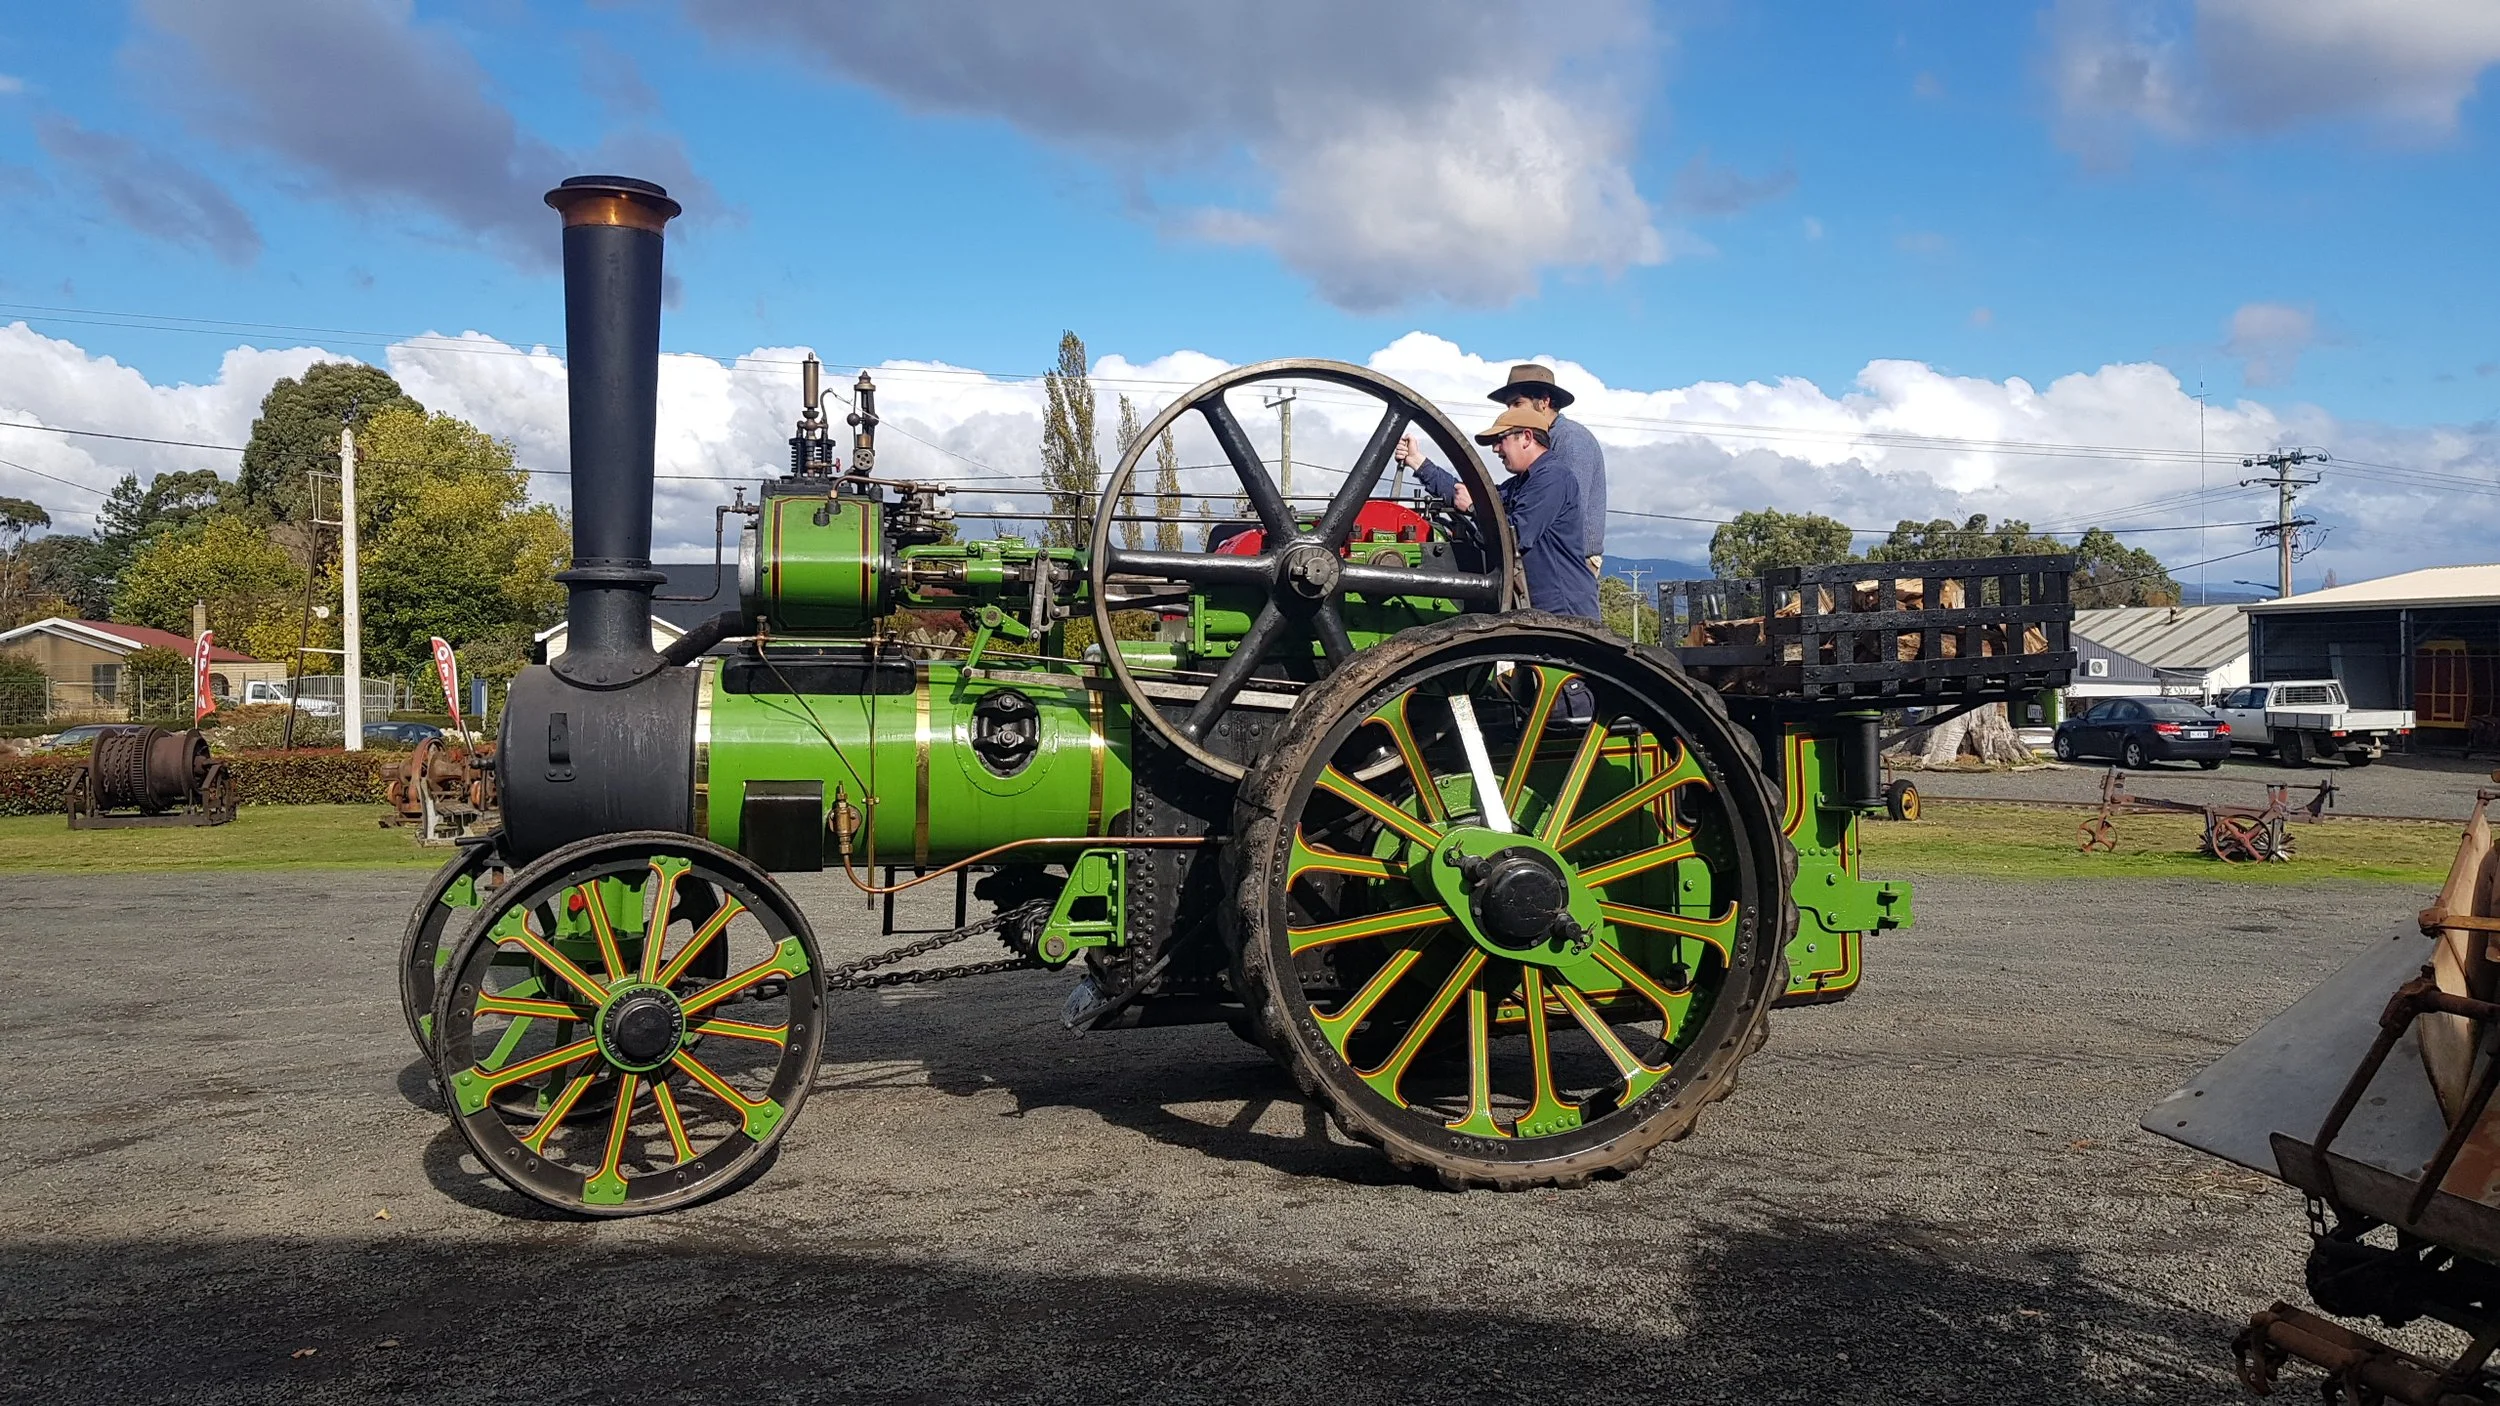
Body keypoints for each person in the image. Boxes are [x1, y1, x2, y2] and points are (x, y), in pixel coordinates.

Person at [1400, 403, 1600, 620]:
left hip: (1562, 613)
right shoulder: (1521, 484)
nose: (1495, 449)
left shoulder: (1553, 479)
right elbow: (1467, 494)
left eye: (1500, 440)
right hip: (1538, 610)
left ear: (1526, 437)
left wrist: (1473, 508)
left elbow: (1515, 536)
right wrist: (1417, 461)